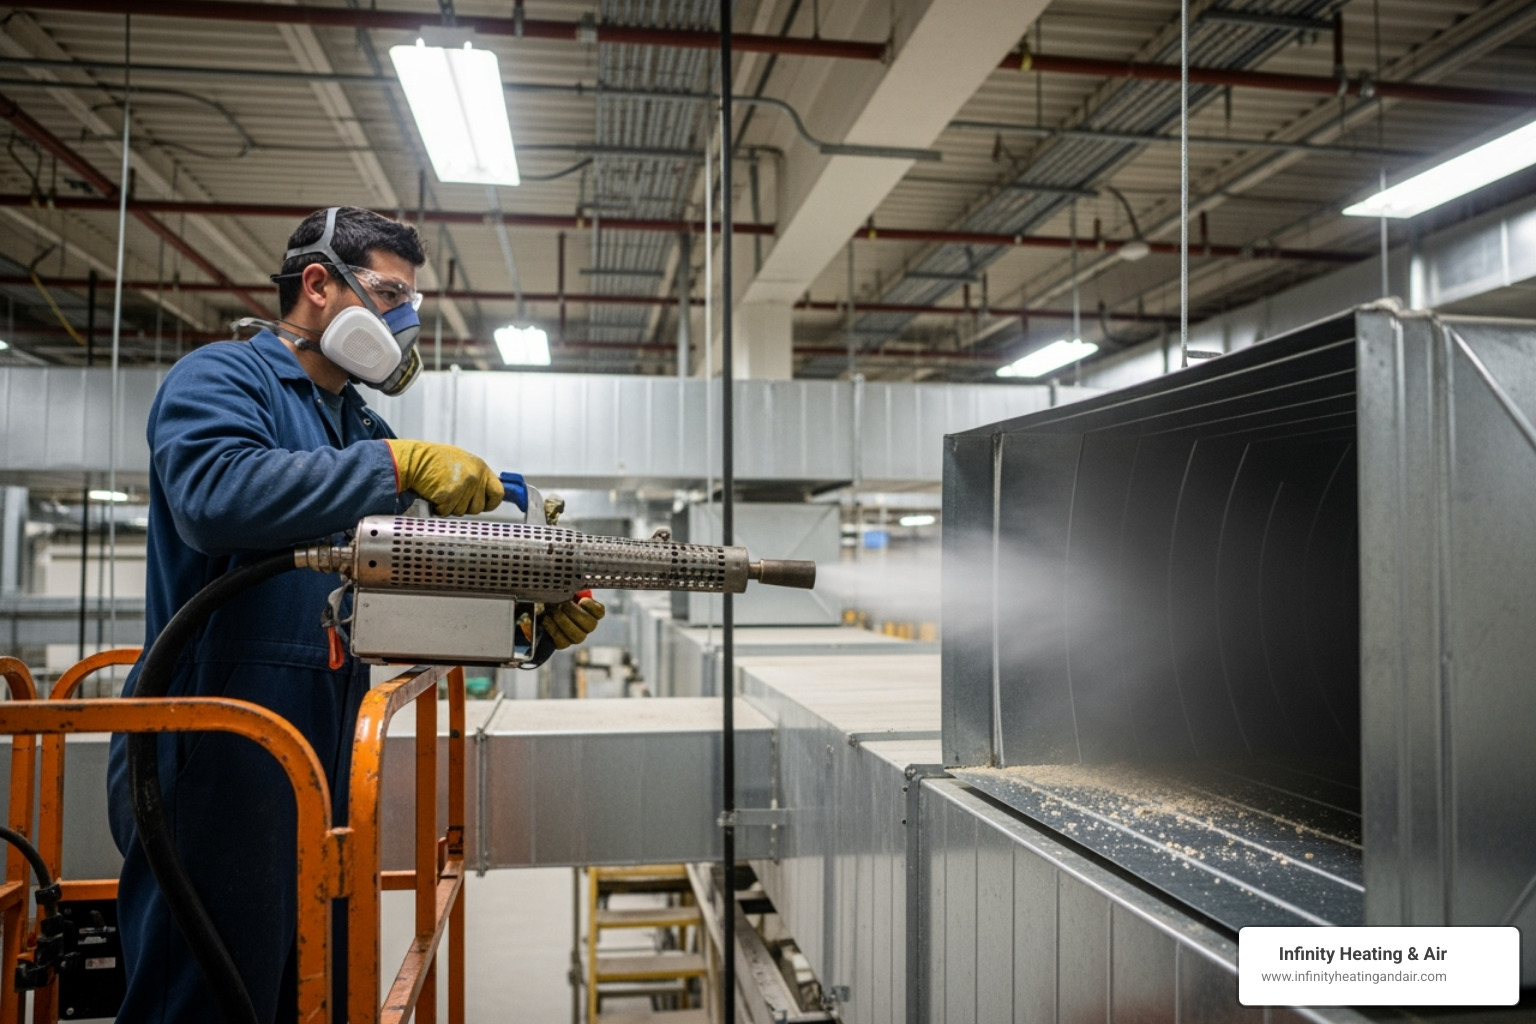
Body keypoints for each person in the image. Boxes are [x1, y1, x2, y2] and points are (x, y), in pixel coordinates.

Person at [105, 206, 604, 1022]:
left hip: (323, 745)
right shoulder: (222, 378)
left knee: (313, 990)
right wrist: (394, 466)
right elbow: (214, 495)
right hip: (216, 740)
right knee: (206, 995)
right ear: (318, 284)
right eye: (391, 295)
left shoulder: (358, 425)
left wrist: (524, 621)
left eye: (413, 303)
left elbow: (404, 583)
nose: (405, 322)